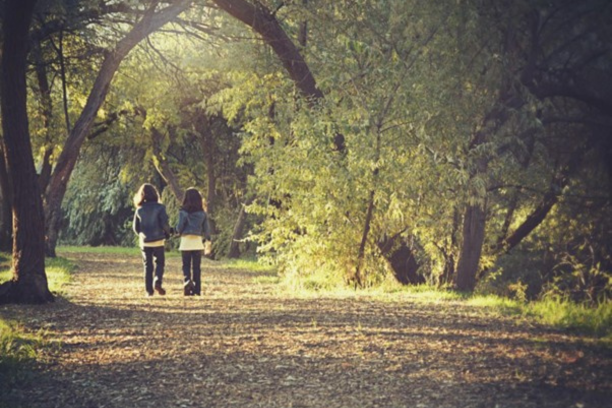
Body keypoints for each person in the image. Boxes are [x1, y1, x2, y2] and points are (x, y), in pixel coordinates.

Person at [132, 183, 172, 297]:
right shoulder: (160, 208)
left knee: (147, 265)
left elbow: (135, 228)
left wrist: (142, 235)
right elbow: (164, 224)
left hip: (145, 242)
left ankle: (149, 291)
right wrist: (168, 234)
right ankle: (157, 281)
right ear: (155, 194)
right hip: (158, 240)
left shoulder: (139, 210)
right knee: (160, 263)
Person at [176, 187, 211, 296]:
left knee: (186, 265)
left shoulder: (183, 212)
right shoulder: (202, 214)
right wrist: (208, 240)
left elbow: (179, 227)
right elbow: (207, 229)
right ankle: (197, 289)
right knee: (196, 267)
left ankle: (187, 281)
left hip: (186, 242)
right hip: (197, 242)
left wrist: (177, 232)